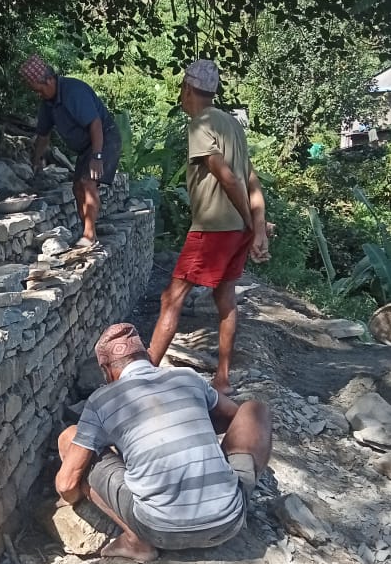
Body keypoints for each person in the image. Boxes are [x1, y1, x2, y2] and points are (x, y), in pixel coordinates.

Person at [55, 322, 272, 562]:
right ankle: (220, 494)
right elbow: (233, 417)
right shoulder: (187, 377)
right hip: (228, 522)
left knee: (70, 437)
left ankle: (136, 542)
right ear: (147, 357)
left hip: (157, 531)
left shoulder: (101, 400)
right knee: (254, 410)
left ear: (107, 371)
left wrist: (79, 496)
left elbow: (66, 484)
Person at [147, 59, 269, 393]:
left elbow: (227, 177)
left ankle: (143, 376)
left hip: (213, 228)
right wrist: (256, 228)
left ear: (187, 89)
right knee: (225, 298)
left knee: (171, 298)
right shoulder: (233, 125)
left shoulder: (200, 124)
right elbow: (252, 181)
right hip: (237, 231)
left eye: (182, 91)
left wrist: (250, 222)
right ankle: (222, 378)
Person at [20, 54, 122, 249]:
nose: (38, 94)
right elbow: (43, 135)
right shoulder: (48, 103)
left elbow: (95, 124)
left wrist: (97, 156)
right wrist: (36, 160)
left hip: (104, 138)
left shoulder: (73, 92)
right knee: (77, 188)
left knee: (88, 182)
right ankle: (88, 231)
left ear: (49, 80)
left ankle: (89, 236)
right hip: (85, 147)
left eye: (39, 89)